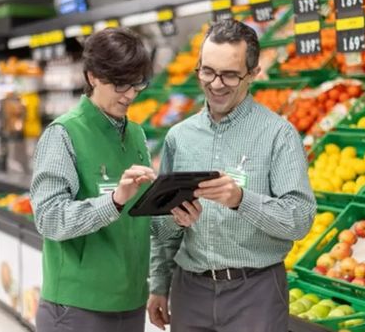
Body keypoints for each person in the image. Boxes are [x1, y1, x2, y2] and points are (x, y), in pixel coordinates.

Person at [148, 19, 317, 332]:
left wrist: (241, 199)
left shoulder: (278, 134)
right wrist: (159, 283)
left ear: (253, 74)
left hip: (255, 292)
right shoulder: (179, 137)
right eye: (208, 71)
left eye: (229, 75)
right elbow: (161, 228)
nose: (215, 84)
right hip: (190, 291)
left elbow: (300, 219)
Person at [30, 28, 159, 332]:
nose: (129, 94)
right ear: (92, 77)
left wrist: (174, 209)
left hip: (130, 301)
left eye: (137, 83)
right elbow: (49, 218)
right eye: (119, 84)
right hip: (78, 307)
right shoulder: (63, 135)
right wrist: (114, 201)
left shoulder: (137, 135)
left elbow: (140, 218)